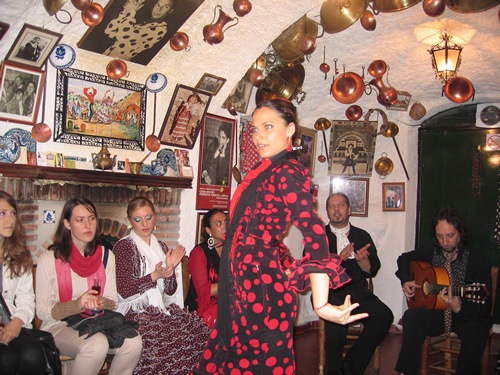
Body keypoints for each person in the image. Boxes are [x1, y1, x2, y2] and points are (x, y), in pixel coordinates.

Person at [195, 99, 368, 374]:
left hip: (262, 295)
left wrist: (321, 302)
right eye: (254, 129)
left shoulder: (287, 171)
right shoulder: (262, 171)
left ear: (290, 130)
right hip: (240, 288)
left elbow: (313, 232)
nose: (258, 136)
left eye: (268, 126)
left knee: (259, 365)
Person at [35, 197, 143, 375]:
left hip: (96, 320)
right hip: (58, 325)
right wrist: (78, 304)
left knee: (134, 341)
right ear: (67, 224)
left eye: (91, 218)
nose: (88, 225)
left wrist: (98, 302)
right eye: (80, 220)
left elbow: (112, 301)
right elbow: (43, 311)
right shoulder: (49, 260)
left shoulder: (106, 256)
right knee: (97, 344)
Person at [113, 196, 210, 375]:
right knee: (165, 340)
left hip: (158, 308)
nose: (144, 223)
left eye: (148, 217)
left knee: (197, 332)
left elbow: (170, 290)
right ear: (129, 221)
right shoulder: (124, 247)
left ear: (155, 217)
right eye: (138, 219)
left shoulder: (162, 247)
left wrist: (170, 270)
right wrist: (154, 275)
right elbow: (124, 291)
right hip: (133, 311)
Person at [395, 207, 492, 375]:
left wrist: (459, 308)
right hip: (438, 312)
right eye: (440, 236)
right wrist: (406, 280)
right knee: (412, 317)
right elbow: (404, 258)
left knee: (477, 330)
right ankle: (407, 372)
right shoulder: (432, 251)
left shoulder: (476, 258)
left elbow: (483, 308)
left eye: (450, 235)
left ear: (460, 233)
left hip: (466, 314)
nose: (445, 242)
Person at [323, 193, 393, 375]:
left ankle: (352, 365)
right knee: (336, 315)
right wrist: (338, 259)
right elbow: (310, 270)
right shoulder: (318, 237)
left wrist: (363, 263)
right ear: (327, 211)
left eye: (341, 205)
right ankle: (335, 370)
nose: (337, 210)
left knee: (384, 316)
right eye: (332, 206)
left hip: (357, 292)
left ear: (349, 209)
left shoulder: (362, 236)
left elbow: (372, 271)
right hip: (328, 293)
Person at [0, 190, 47, 374]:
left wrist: (17, 321)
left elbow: (27, 297)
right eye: (2, 214)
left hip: (12, 323)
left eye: (13, 213)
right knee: (5, 359)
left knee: (33, 354)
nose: (10, 220)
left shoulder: (18, 254)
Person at [186, 209, 227, 328]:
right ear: (209, 230)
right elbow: (204, 292)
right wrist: (233, 283)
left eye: (226, 222)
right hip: (202, 310)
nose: (225, 227)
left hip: (226, 305)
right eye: (218, 224)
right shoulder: (199, 252)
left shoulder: (231, 250)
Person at [103, 0, 175, 60]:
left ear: (170, 11)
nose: (159, 9)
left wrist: (131, 11)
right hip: (108, 54)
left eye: (166, 7)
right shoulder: (145, 24)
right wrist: (125, 11)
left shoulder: (161, 29)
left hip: (119, 60)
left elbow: (124, 36)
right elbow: (109, 31)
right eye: (158, 5)